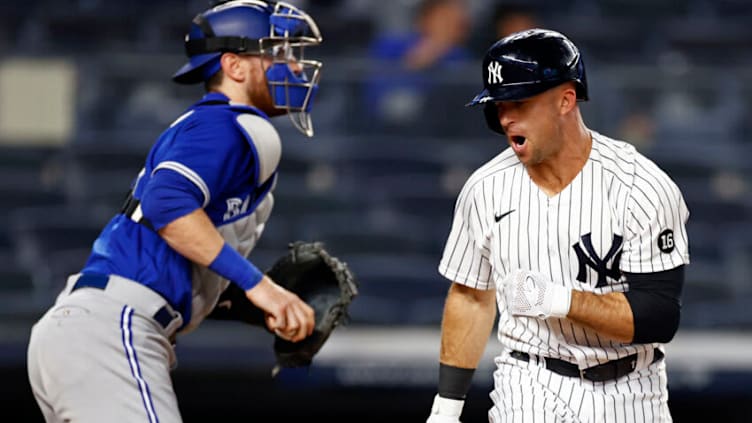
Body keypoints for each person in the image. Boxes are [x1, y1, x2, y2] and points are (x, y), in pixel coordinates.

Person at [27, 1, 323, 421]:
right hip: (114, 331)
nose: (294, 67)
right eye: (277, 53)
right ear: (234, 67)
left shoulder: (214, 129)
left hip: (92, 330)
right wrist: (262, 287)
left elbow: (173, 241)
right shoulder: (233, 125)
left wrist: (256, 302)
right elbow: (166, 205)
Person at [426, 29, 690, 422]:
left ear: (566, 99)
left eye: (519, 102)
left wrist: (558, 300)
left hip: (632, 389)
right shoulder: (484, 188)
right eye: (498, 105)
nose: (506, 116)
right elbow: (471, 295)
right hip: (529, 380)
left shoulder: (641, 186)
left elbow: (658, 315)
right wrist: (445, 410)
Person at [362, 0, 472, 128]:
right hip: (382, 125)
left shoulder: (460, 56)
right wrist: (412, 65)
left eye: (458, 22)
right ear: (423, 20)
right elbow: (374, 91)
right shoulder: (390, 45)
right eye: (445, 19)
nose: (451, 26)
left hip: (437, 128)